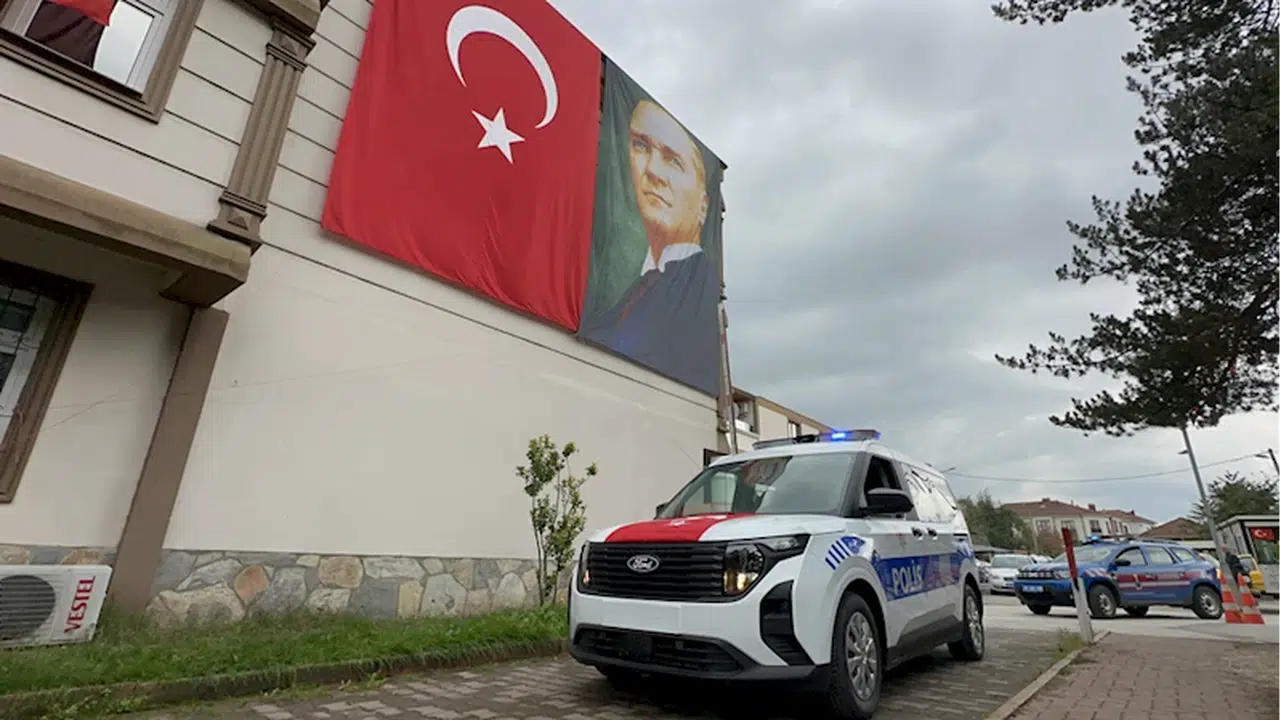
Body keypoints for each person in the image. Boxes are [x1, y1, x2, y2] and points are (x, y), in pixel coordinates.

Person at [579, 100, 720, 395]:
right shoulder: (627, 293)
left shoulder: (699, 297)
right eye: (641, 146)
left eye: (673, 161)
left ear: (704, 206)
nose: (653, 170)